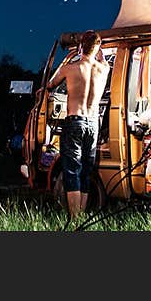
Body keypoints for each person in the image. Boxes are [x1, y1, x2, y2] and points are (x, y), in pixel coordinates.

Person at [47, 30, 110, 218]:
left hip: (75, 121)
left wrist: (73, 56)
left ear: (81, 46)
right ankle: (82, 214)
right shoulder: (104, 68)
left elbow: (50, 84)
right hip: (93, 123)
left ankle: (74, 218)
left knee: (72, 169)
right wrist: (98, 52)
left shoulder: (70, 68)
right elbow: (102, 57)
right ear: (97, 47)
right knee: (86, 170)